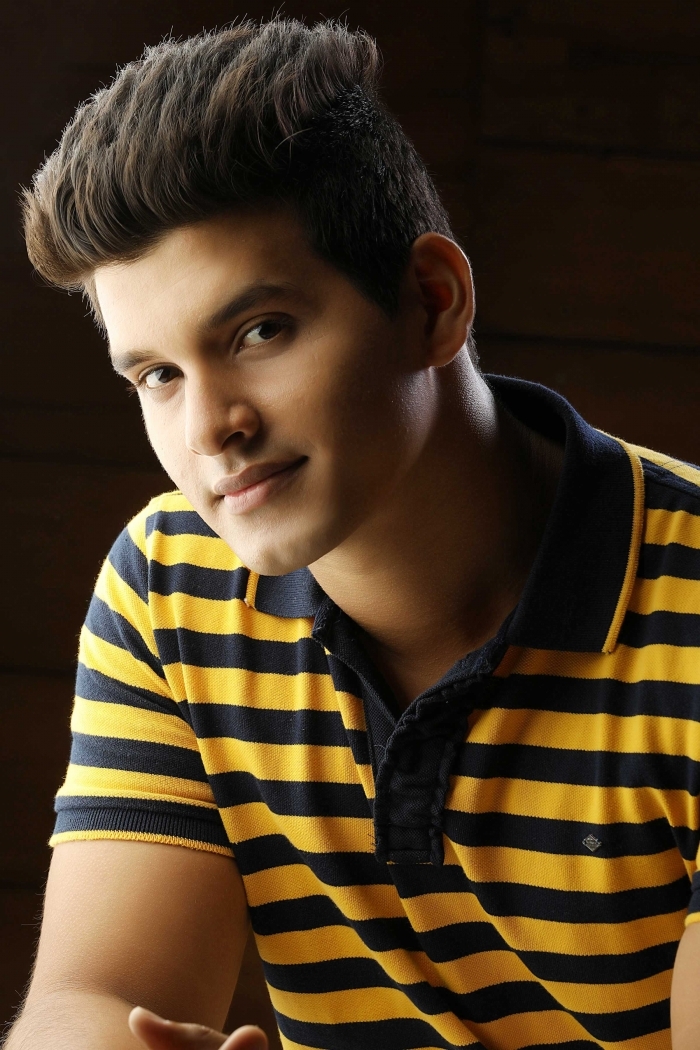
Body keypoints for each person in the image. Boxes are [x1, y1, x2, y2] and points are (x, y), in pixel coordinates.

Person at [8, 16, 700, 1050]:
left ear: (432, 301)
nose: (209, 429)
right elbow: (92, 1000)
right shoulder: (169, 582)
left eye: (260, 332)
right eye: (157, 375)